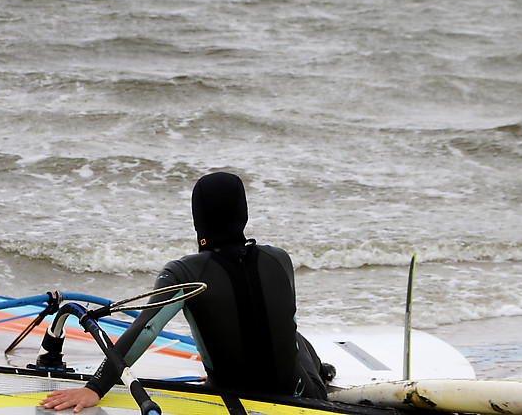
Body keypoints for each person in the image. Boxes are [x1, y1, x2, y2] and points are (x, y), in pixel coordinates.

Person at [40, 172, 330, 412]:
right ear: (243, 212)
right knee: (286, 329)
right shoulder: (280, 258)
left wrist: (96, 387)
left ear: (198, 217)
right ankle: (323, 372)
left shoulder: (185, 273)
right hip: (308, 396)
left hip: (229, 398)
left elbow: (147, 328)